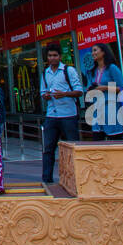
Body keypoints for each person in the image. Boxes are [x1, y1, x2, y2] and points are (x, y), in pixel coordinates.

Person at [40, 46, 83, 180]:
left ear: (60, 56)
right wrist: (46, 96)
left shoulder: (68, 70)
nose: (52, 58)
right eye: (50, 56)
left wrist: (64, 94)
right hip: (52, 114)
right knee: (48, 148)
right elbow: (42, 92)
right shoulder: (45, 73)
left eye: (55, 55)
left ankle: (76, 177)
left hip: (68, 115)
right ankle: (47, 178)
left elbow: (79, 91)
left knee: (72, 146)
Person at [87, 44, 123, 140]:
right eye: (92, 51)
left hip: (111, 111)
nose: (93, 53)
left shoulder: (112, 68)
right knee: (97, 141)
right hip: (97, 111)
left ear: (103, 52)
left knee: (115, 141)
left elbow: (122, 88)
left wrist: (105, 88)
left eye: (95, 50)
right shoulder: (93, 71)